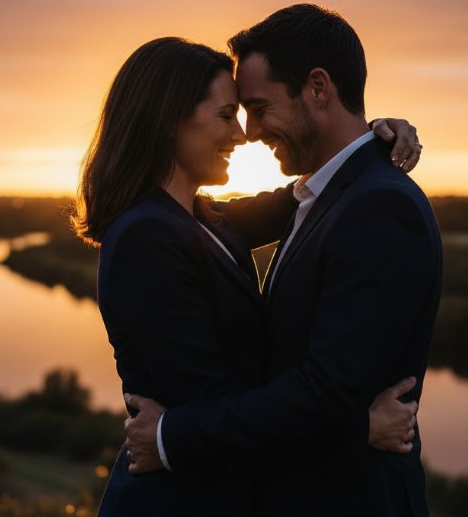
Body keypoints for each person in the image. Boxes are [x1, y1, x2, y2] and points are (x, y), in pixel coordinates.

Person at [74, 36, 424, 516]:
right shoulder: (145, 239)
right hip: (176, 502)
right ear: (167, 120)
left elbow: (314, 193)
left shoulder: (202, 220)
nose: (242, 135)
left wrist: (376, 138)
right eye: (225, 116)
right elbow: (210, 403)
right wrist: (356, 430)